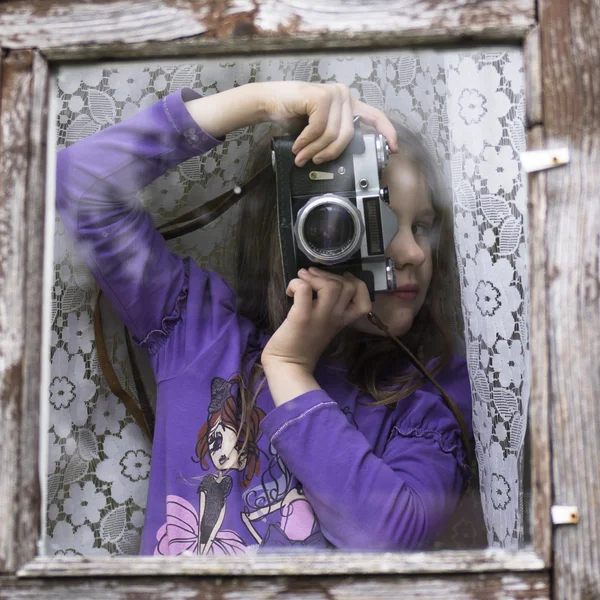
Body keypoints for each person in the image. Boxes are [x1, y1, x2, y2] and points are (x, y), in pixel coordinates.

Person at [56, 80, 474, 555]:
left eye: (422, 226)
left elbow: (386, 539)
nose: (415, 252)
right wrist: (265, 102)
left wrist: (291, 370)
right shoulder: (203, 335)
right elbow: (79, 184)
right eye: (377, 222)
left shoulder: (430, 389)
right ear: (298, 226)